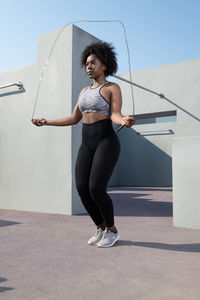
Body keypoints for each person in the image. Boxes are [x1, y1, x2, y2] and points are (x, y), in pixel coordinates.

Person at [32, 41, 135, 248]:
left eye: (93, 62)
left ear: (104, 64)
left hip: (106, 140)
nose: (88, 66)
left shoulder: (112, 87)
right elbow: (73, 118)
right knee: (81, 187)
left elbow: (114, 113)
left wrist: (123, 120)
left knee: (96, 187)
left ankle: (112, 231)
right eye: (86, 63)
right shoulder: (83, 92)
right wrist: (47, 121)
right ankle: (100, 226)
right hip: (87, 142)